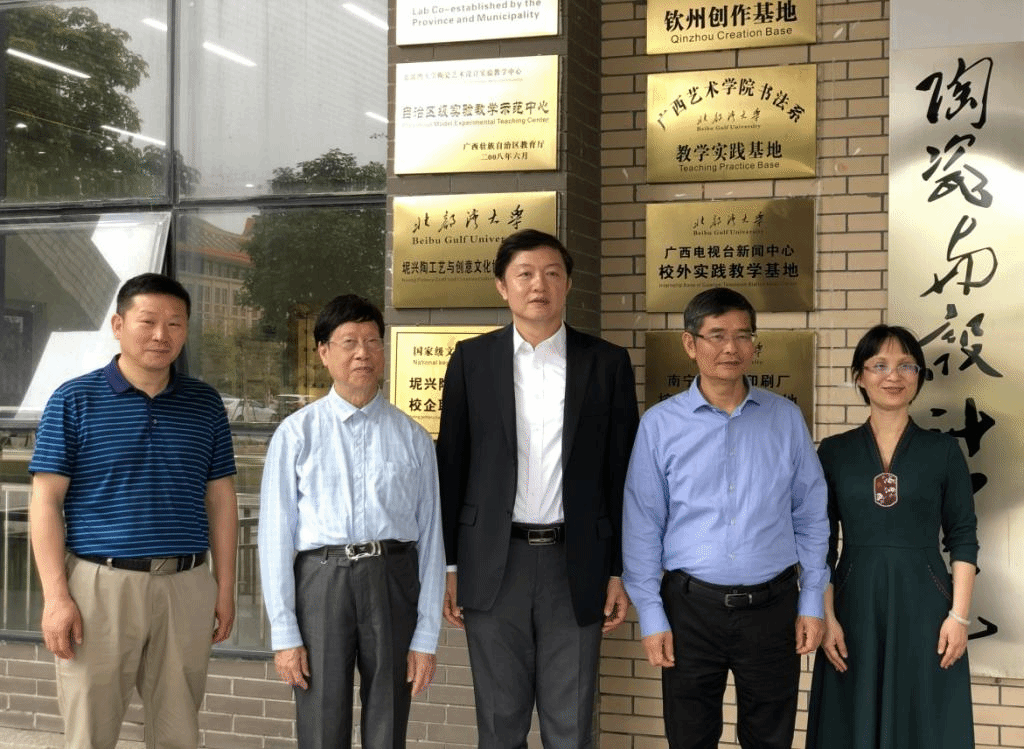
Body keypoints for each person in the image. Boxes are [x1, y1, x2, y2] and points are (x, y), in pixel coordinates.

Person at [436, 228, 639, 749]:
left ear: (568, 284)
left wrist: (619, 569)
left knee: (570, 727)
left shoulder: (606, 363)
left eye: (552, 273)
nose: (538, 285)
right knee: (499, 725)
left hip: (576, 563)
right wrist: (450, 566)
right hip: (492, 561)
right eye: (524, 274)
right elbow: (452, 465)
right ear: (502, 286)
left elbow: (623, 475)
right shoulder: (471, 360)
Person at [29, 273, 238, 749]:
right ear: (118, 325)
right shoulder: (73, 400)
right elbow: (46, 501)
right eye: (148, 321)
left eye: (175, 323)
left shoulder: (205, 404)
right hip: (99, 587)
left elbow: (221, 500)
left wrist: (224, 588)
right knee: (91, 729)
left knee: (178, 730)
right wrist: (56, 597)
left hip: (186, 585)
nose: (162, 335)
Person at [622, 286, 829, 749]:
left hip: (773, 608)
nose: (730, 348)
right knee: (690, 738)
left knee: (770, 738)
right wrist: (651, 613)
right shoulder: (660, 425)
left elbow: (811, 514)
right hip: (689, 609)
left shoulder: (785, 418)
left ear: (754, 344)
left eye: (742, 335)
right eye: (716, 335)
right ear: (690, 343)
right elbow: (642, 523)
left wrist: (812, 599)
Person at [258, 294, 445, 749]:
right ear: (323, 352)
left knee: (389, 720)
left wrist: (426, 635)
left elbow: (432, 539)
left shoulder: (413, 437)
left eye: (372, 341)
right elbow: (275, 536)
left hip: (393, 580)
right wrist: (284, 632)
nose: (363, 353)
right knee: (322, 720)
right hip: (321, 582)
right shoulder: (296, 434)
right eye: (349, 342)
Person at [805, 324, 978, 748]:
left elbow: (963, 536)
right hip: (853, 604)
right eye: (879, 365)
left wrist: (959, 617)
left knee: (925, 718)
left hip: (927, 605)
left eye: (906, 365)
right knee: (850, 717)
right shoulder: (834, 451)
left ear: (919, 376)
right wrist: (826, 615)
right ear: (860, 377)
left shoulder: (942, 451)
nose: (893, 376)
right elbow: (819, 542)